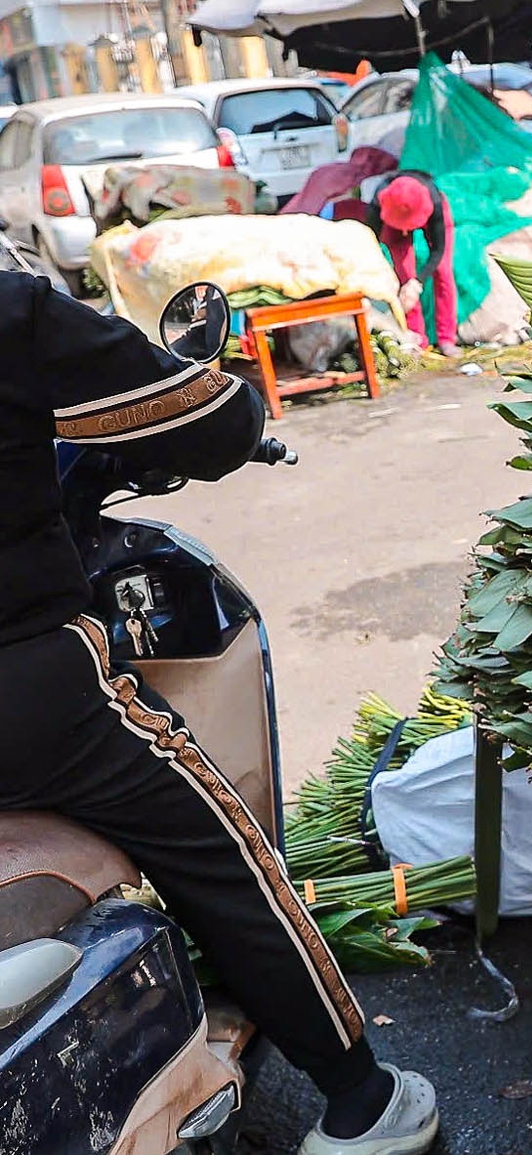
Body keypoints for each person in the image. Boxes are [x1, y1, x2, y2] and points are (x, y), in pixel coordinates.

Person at [0, 271, 438, 1155]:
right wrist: (237, 411)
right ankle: (360, 1097)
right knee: (216, 846)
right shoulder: (13, 316)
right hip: (27, 690)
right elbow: (194, 414)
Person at [373, 172, 459, 358]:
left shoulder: (434, 201)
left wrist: (418, 282)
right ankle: (416, 338)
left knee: (443, 272)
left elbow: (438, 250)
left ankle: (447, 338)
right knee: (404, 276)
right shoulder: (379, 200)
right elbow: (371, 241)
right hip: (392, 218)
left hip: (429, 214)